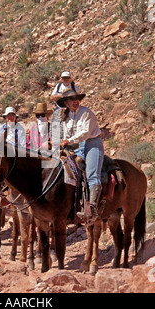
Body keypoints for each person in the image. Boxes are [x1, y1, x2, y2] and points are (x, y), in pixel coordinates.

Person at [57, 90, 104, 223]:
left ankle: (93, 209)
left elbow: (85, 133)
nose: (75, 101)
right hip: (76, 147)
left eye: (76, 98)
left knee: (91, 174)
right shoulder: (67, 117)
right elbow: (66, 135)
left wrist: (68, 141)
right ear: (66, 103)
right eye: (72, 99)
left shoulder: (86, 113)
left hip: (92, 144)